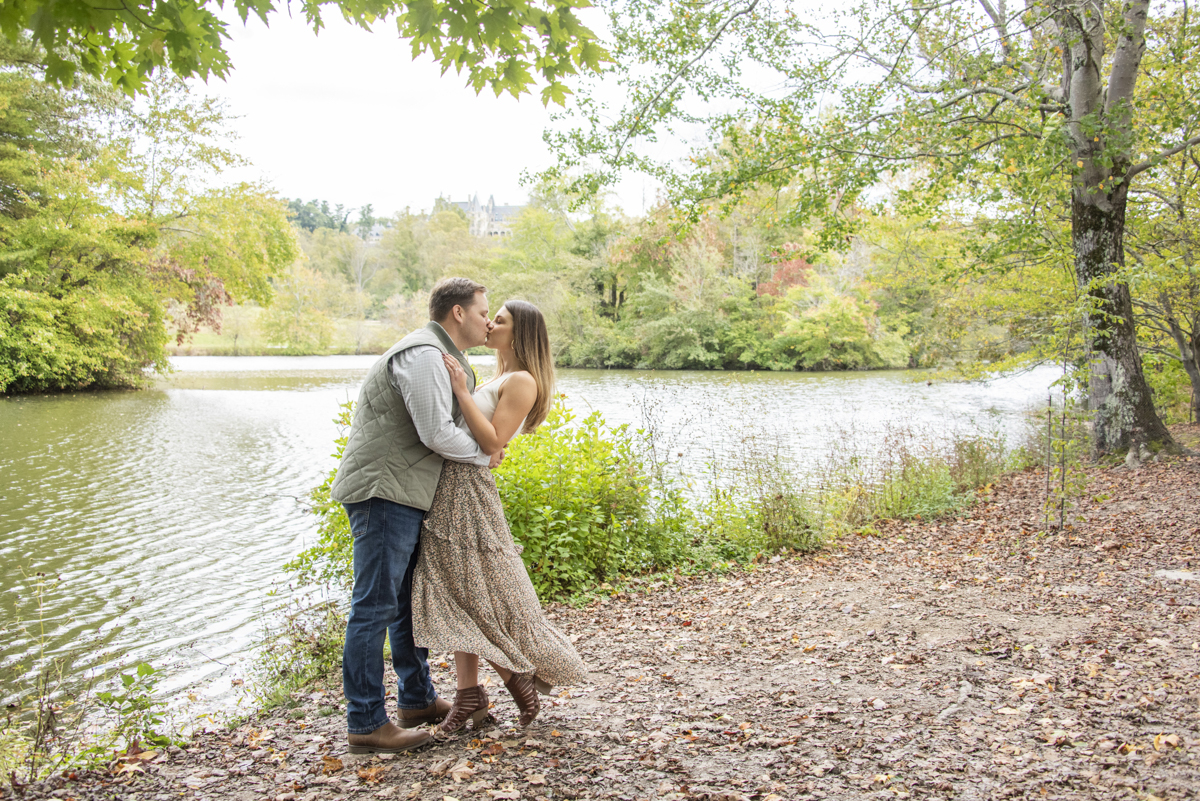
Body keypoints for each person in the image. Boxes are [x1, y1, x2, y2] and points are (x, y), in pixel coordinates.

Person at [330, 277, 500, 754]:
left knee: (407, 602)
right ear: (458, 313)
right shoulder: (423, 354)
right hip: (384, 491)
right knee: (374, 606)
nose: (488, 320)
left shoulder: (446, 357)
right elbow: (436, 433)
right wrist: (487, 455)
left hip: (404, 492)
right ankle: (365, 722)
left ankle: (418, 699)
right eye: (483, 311)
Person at [412, 300, 589, 735]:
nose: (491, 324)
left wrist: (458, 391)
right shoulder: (497, 376)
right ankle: (471, 692)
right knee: (459, 588)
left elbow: (493, 441)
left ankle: (515, 676)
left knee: (473, 589)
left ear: (521, 333)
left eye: (501, 321)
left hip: (468, 492)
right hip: (451, 484)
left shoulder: (523, 380)